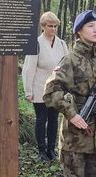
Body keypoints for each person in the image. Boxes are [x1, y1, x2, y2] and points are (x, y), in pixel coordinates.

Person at [43, 10, 96, 177]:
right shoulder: (70, 60)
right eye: (90, 26)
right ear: (78, 31)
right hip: (76, 139)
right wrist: (71, 113)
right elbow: (52, 90)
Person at [22, 11, 69, 161]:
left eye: (55, 26)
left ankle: (51, 149)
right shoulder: (36, 43)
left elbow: (67, 65)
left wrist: (67, 85)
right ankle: (41, 150)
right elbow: (29, 68)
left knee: (54, 118)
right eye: (50, 26)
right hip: (39, 87)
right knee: (41, 119)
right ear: (43, 26)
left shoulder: (62, 44)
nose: (53, 29)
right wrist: (28, 90)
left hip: (56, 88)